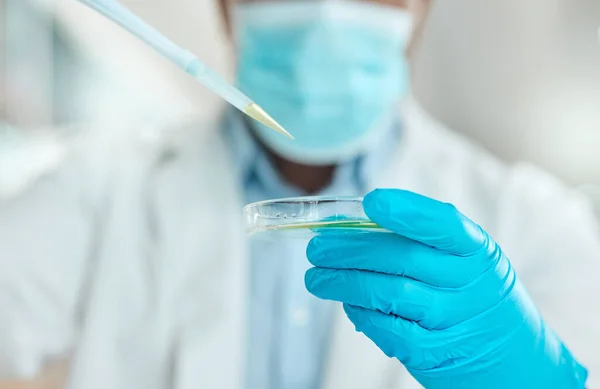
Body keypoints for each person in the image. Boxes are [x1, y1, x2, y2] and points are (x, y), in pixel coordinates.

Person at [1, 0, 599, 388]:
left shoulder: (539, 225)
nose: (327, 14)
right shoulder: (96, 191)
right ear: (224, 8)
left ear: (422, 8)